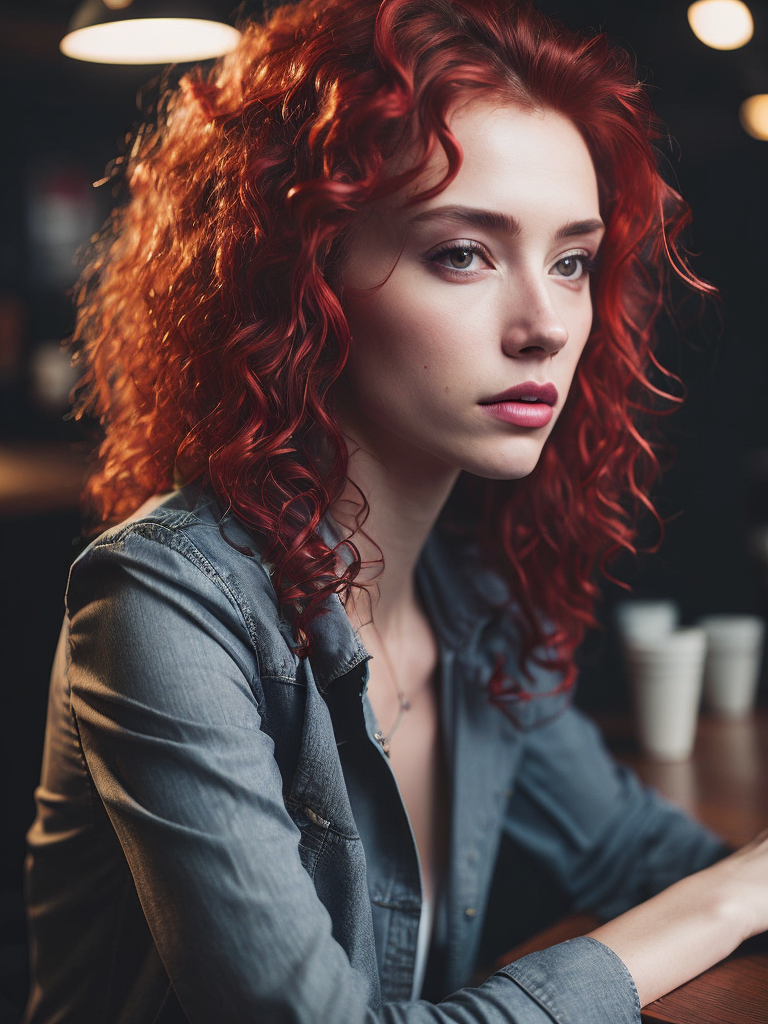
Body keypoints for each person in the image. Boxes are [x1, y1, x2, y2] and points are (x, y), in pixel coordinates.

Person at [22, 0, 768, 1021]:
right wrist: (717, 905)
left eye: (572, 260)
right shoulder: (163, 602)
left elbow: (639, 852)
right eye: (463, 252)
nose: (546, 326)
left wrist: (733, 890)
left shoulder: (468, 601)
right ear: (304, 275)